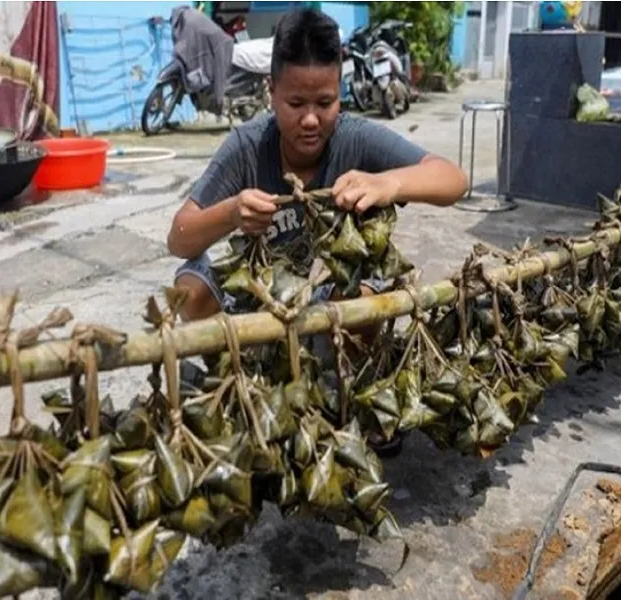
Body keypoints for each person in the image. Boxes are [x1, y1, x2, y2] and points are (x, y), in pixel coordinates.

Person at [166, 8, 467, 452]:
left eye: (324, 103)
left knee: (368, 304)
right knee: (190, 291)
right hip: (256, 295)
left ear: (340, 93)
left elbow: (453, 180)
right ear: (271, 94)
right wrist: (230, 212)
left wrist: (388, 183)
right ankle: (223, 386)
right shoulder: (246, 147)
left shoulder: (356, 139)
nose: (311, 120)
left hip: (327, 294)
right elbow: (179, 237)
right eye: (296, 104)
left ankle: (356, 398)